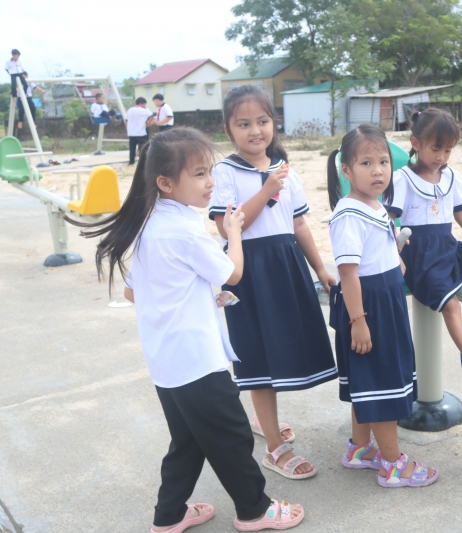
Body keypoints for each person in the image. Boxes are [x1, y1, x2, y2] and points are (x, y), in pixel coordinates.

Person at [76, 127, 304, 532]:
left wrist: (197, 296)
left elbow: (136, 293)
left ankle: (169, 516)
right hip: (196, 361)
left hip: (167, 361)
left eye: (209, 172)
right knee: (234, 436)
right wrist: (234, 231)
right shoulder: (182, 230)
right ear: (165, 182)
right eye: (198, 174)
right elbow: (233, 273)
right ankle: (255, 510)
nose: (210, 182)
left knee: (189, 441)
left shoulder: (149, 223)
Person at [209, 84, 337, 481]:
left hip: (286, 266)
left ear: (274, 123)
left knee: (284, 349)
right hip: (247, 270)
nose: (255, 131)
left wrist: (320, 269)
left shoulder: (287, 171)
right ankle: (273, 447)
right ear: (229, 130)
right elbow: (227, 224)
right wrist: (266, 190)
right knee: (259, 358)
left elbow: (299, 225)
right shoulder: (225, 172)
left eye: (262, 121)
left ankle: (267, 422)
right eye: (243, 123)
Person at [327, 124, 439, 488]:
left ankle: (360, 448)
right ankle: (393, 464)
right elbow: (348, 274)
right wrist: (358, 321)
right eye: (366, 162)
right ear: (347, 170)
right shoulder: (347, 215)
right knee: (383, 383)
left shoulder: (375, 206)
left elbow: (380, 249)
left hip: (384, 301)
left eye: (383, 162)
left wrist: (397, 260)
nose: (378, 171)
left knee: (368, 382)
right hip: (368, 306)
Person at [386, 108, 462, 402]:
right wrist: (395, 253)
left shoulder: (451, 176)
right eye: (435, 148)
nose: (441, 156)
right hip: (420, 255)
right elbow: (390, 220)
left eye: (448, 150)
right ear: (416, 144)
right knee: (451, 306)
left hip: (447, 247)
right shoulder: (402, 179)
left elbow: (461, 216)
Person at [126, 97, 154, 165]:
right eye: (144, 104)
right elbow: (151, 117)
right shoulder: (144, 110)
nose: (145, 106)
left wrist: (128, 129)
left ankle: (131, 162)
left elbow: (126, 120)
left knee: (132, 148)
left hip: (132, 133)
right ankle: (142, 163)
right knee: (142, 148)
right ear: (141, 103)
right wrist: (147, 124)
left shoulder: (130, 110)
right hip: (141, 132)